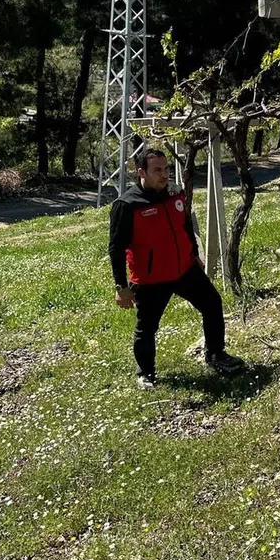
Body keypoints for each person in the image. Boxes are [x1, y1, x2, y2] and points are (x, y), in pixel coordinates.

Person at [108, 149, 245, 388]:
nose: (164, 174)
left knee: (212, 304)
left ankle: (216, 354)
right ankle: (146, 373)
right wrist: (121, 286)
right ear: (142, 172)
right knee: (147, 328)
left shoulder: (175, 194)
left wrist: (194, 255)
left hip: (184, 270)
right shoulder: (127, 205)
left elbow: (185, 227)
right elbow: (116, 248)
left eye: (167, 169)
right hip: (151, 279)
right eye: (157, 170)